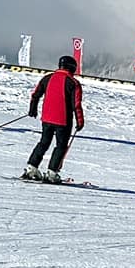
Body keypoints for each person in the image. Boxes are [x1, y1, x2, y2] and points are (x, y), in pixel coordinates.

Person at [23, 55, 84, 184]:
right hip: (63, 120)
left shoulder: (47, 78)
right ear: (72, 68)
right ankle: (52, 172)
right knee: (61, 146)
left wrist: (33, 109)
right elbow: (76, 104)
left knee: (44, 142)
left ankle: (31, 167)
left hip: (46, 118)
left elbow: (35, 94)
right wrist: (80, 121)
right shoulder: (73, 82)